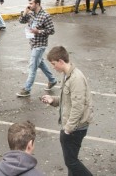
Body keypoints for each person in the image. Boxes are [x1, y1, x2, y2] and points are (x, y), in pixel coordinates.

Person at [40, 46, 93, 176]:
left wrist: (68, 129)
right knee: (71, 162)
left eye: (53, 64)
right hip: (72, 126)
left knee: (71, 162)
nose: (53, 67)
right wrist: (53, 100)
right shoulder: (67, 76)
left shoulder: (76, 79)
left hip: (75, 128)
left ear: (61, 61)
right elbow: (67, 100)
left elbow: (78, 107)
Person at [16, 0, 57, 97]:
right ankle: (52, 80)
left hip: (40, 45)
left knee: (32, 66)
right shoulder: (31, 14)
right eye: (29, 3)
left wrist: (38, 31)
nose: (29, 5)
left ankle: (27, 89)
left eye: (31, 3)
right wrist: (25, 12)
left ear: (37, 4)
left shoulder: (45, 16)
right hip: (33, 43)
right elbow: (21, 21)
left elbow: (51, 31)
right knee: (40, 63)